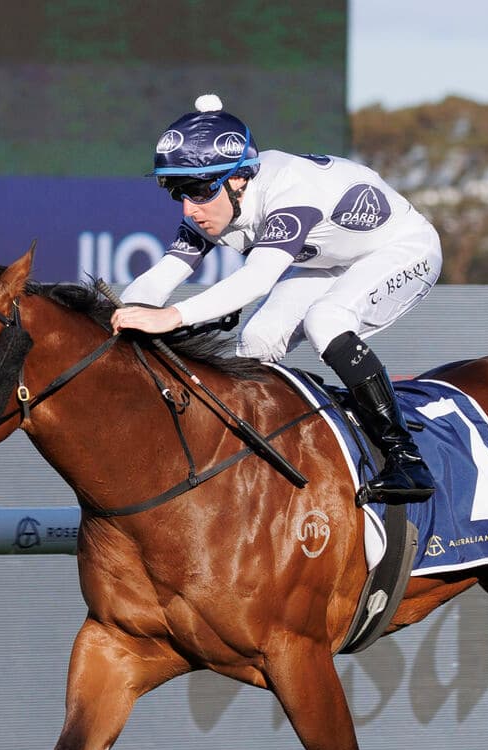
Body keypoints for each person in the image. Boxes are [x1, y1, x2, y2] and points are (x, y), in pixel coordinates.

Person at [110, 94, 440, 505]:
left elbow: (259, 278)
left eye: (197, 190)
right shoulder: (214, 204)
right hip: (330, 261)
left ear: (238, 180)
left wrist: (172, 316)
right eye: (178, 192)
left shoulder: (289, 192)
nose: (189, 209)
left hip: (403, 248)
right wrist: (118, 315)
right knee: (257, 340)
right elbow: (160, 277)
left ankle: (406, 459)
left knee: (327, 320)